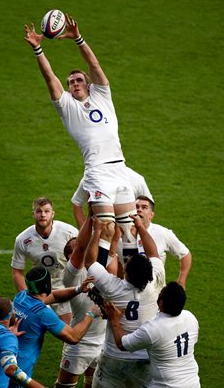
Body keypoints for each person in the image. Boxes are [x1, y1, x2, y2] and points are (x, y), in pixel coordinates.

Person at [24, 14, 138, 270]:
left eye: (78, 80)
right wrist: (38, 49)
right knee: (105, 226)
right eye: (71, 82)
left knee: (130, 230)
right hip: (97, 171)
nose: (74, 84)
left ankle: (132, 281)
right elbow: (50, 78)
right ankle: (98, 278)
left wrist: (78, 38)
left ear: (88, 84)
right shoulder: (67, 107)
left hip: (120, 168)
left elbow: (94, 66)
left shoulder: (103, 97)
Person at [84, 215, 165, 388]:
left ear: (126, 273)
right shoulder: (153, 285)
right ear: (150, 273)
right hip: (144, 358)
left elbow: (90, 261)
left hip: (114, 357)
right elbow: (154, 253)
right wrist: (141, 227)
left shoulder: (112, 287)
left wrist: (97, 231)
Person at [10, 266, 102, 388]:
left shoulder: (21, 297)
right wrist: (91, 313)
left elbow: (55, 296)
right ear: (47, 285)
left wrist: (79, 289)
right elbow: (73, 337)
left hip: (8, 359)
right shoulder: (43, 313)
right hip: (19, 367)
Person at [102, 282, 200, 388]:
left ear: (161, 303)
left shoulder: (153, 328)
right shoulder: (191, 318)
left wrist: (114, 320)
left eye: (161, 292)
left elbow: (122, 344)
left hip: (166, 385)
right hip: (193, 383)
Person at [55, 214, 108, 388]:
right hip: (80, 344)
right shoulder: (72, 275)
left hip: (103, 341)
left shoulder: (98, 269)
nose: (81, 249)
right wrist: (92, 221)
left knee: (92, 384)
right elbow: (81, 250)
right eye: (76, 249)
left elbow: (106, 249)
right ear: (69, 257)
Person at [11, 197, 78, 323]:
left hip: (64, 285)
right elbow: (17, 272)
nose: (43, 215)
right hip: (38, 289)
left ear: (53, 213)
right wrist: (28, 297)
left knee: (69, 329)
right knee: (31, 328)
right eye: (39, 211)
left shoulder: (70, 232)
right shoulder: (23, 239)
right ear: (33, 214)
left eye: (47, 211)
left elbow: (83, 261)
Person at [133, 195, 192, 289]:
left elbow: (185, 254)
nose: (139, 210)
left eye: (144, 207)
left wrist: (181, 281)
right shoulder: (121, 233)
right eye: (136, 207)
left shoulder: (162, 233)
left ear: (151, 215)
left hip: (155, 293)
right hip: (127, 292)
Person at [71, 167, 154, 228]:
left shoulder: (136, 180)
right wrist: (85, 234)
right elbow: (77, 203)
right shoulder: (91, 178)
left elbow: (148, 207)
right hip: (101, 231)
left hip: (127, 231)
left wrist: (141, 233)